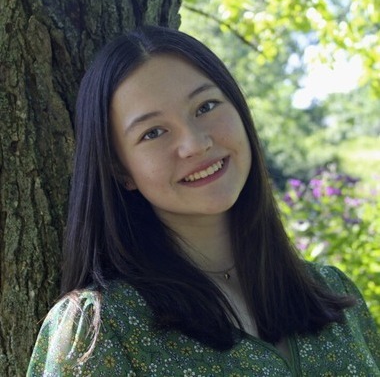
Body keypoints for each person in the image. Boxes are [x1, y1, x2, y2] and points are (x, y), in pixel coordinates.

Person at [27, 25, 379, 376]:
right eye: (153, 132)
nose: (195, 144)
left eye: (206, 106)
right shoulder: (100, 331)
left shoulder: (336, 294)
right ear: (121, 170)